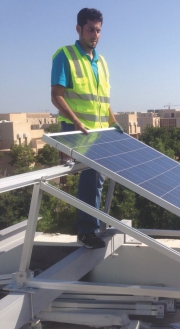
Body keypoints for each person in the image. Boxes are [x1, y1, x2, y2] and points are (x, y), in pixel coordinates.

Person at [51, 8, 123, 249]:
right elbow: (57, 96)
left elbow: (103, 101)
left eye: (99, 30)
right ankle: (86, 230)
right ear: (79, 29)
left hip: (99, 130)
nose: (95, 34)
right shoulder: (65, 55)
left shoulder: (101, 62)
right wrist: (77, 122)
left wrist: (113, 123)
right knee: (92, 175)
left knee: (99, 176)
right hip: (76, 129)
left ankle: (92, 226)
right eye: (91, 29)